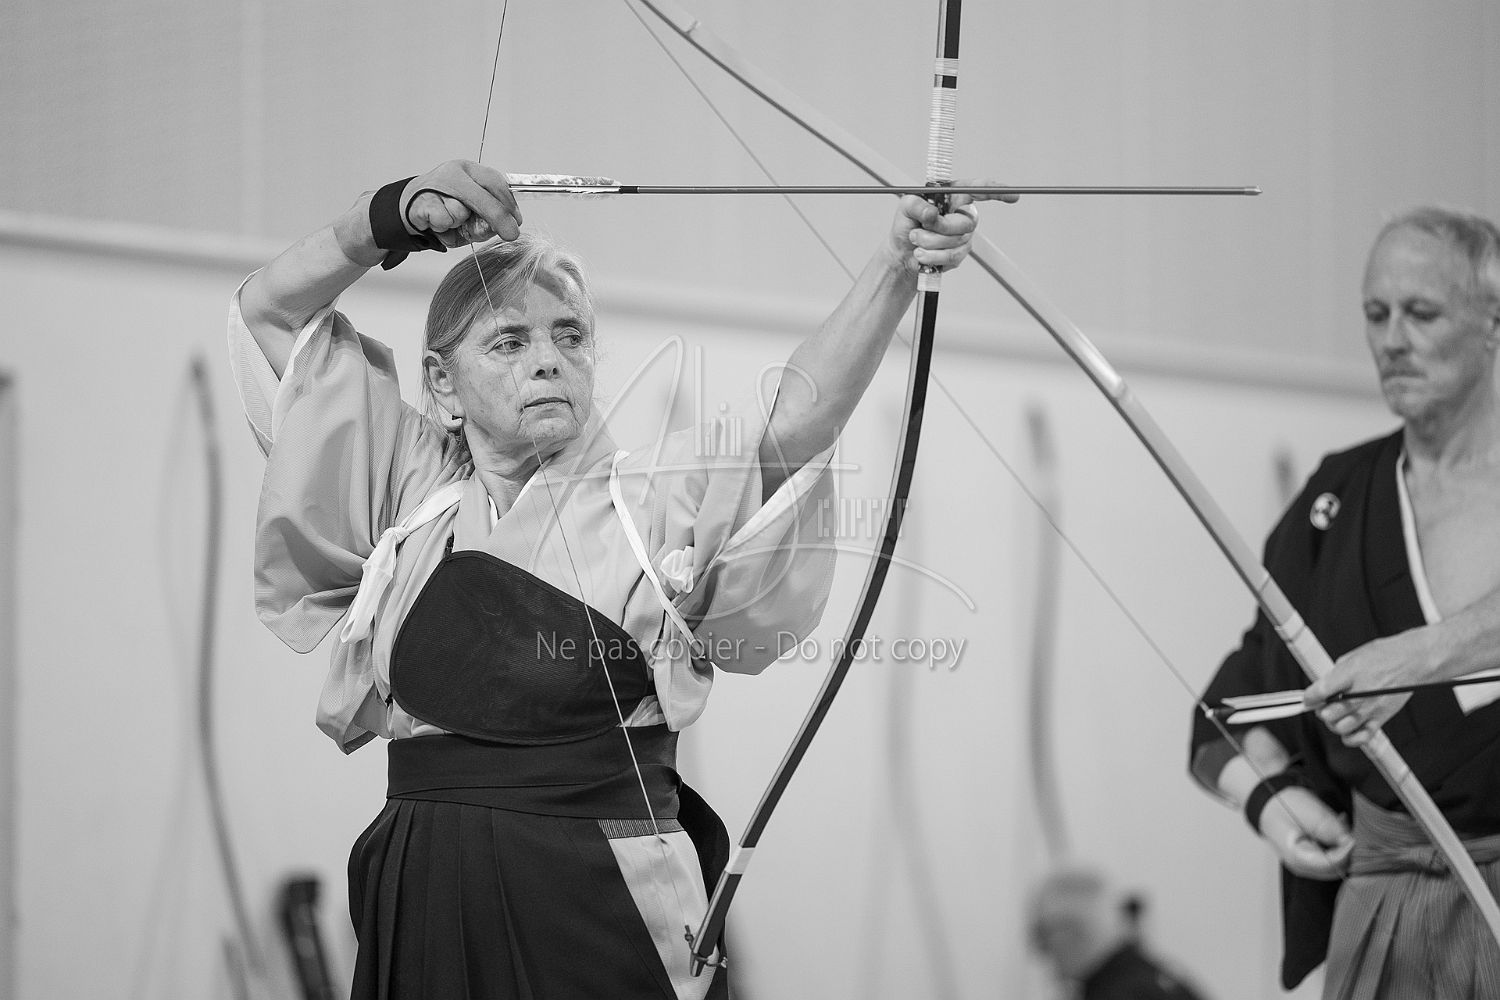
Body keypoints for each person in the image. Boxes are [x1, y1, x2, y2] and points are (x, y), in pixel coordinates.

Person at [227, 159, 997, 999]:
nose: (548, 361)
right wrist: (386, 218)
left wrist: (894, 262)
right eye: (509, 342)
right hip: (422, 883)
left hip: (597, 895)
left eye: (570, 337)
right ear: (443, 385)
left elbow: (797, 417)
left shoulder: (649, 501)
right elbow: (270, 309)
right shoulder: (407, 488)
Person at [1189, 206, 1500, 998]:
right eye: (1375, 313)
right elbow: (1237, 702)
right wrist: (1271, 800)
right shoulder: (1339, 496)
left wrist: (1423, 656)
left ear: (1493, 320)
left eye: (1422, 313)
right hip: (1384, 906)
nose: (1392, 339)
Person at [1029, 867, 1208, 1000]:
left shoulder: (1112, 992)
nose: (1042, 951)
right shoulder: (1158, 978)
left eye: (1043, 935)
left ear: (1071, 932)